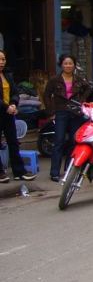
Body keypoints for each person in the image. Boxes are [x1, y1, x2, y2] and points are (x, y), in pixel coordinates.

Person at [42, 54, 91, 182]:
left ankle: (69, 169)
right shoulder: (55, 80)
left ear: (74, 65)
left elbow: (89, 88)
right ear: (61, 65)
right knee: (58, 141)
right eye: (65, 63)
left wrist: (81, 100)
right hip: (61, 113)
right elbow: (46, 95)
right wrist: (51, 112)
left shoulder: (79, 79)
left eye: (70, 63)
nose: (68, 66)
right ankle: (54, 172)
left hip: (75, 113)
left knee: (73, 141)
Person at [0, 50, 37, 183]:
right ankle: (1, 173)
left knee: (13, 142)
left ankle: (19, 172)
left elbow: (15, 92)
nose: (1, 62)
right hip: (4, 110)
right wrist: (7, 107)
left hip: (9, 113)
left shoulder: (7, 75)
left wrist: (14, 104)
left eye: (3, 59)